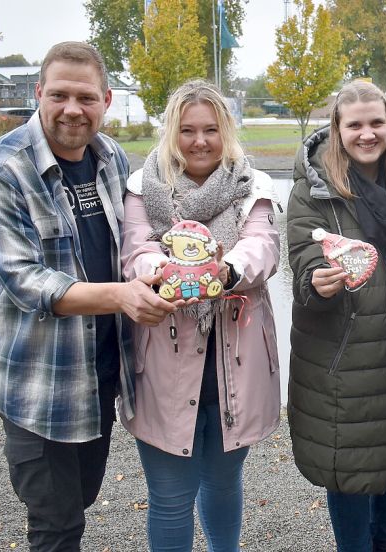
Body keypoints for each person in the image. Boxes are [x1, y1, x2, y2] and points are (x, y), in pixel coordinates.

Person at [0, 41, 179, 551]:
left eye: (85, 97)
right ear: (38, 93)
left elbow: (139, 239)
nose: (72, 109)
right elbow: (26, 281)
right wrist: (123, 296)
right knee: (56, 525)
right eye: (59, 95)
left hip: (99, 373)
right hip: (36, 382)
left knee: (77, 501)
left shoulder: (111, 158)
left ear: (105, 99)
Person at [120, 80, 281, 551]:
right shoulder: (140, 188)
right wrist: (166, 272)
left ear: (226, 131)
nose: (200, 141)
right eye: (187, 130)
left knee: (224, 485)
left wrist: (222, 271)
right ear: (172, 132)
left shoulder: (253, 186)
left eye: (211, 129)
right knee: (170, 498)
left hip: (237, 363)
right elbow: (136, 250)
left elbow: (263, 247)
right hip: (163, 367)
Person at [287, 80, 386, 552]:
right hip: (345, 348)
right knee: (350, 466)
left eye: (377, 123)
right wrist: (317, 282)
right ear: (337, 129)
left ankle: (383, 542)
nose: (367, 134)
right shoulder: (314, 192)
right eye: (355, 125)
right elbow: (302, 261)